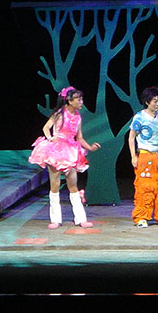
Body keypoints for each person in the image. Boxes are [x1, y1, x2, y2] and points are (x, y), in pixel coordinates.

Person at [28, 86, 101, 229]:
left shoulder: (78, 117)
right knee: (55, 185)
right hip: (56, 150)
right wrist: (51, 138)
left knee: (73, 185)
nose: (81, 102)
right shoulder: (60, 113)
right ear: (69, 101)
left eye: (81, 99)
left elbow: (79, 137)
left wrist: (90, 147)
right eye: (78, 99)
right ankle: (55, 219)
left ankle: (80, 219)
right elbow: (46, 128)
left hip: (70, 151)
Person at [127, 86, 158, 227]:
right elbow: (131, 138)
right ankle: (141, 217)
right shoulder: (139, 117)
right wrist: (133, 156)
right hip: (145, 155)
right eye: (154, 101)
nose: (157, 104)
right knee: (145, 187)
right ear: (147, 102)